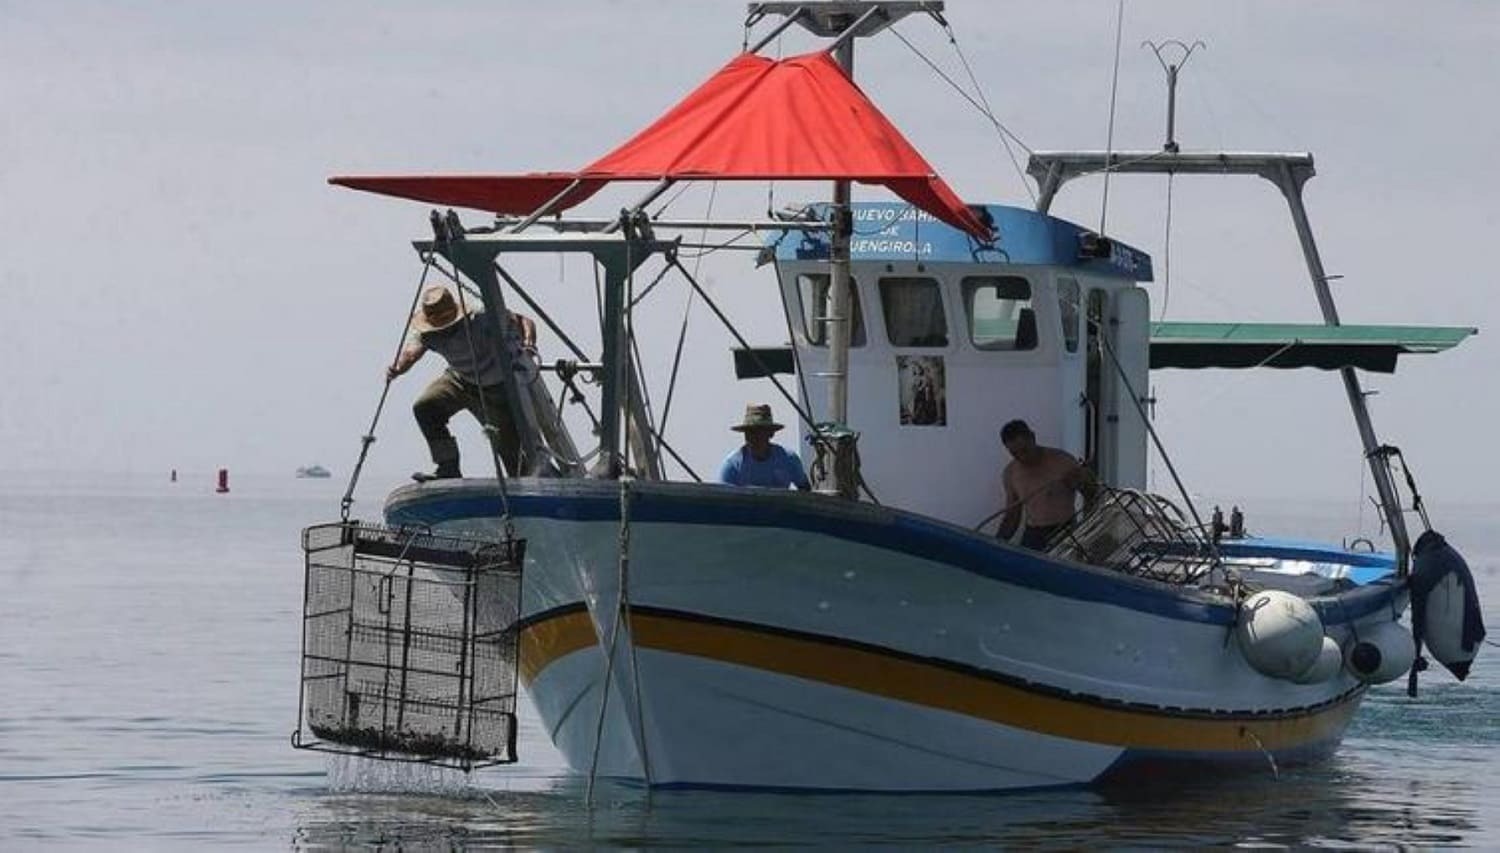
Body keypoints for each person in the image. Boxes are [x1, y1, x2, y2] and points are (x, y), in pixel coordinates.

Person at [387, 285, 537, 481]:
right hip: (460, 380)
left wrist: (529, 344)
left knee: (512, 454)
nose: (443, 329)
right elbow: (411, 352)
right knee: (425, 407)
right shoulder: (428, 332)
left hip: (496, 389)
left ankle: (523, 483)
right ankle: (448, 466)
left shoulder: (481, 317)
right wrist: (398, 368)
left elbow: (524, 321)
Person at [995, 419, 1097, 550]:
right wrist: (996, 544)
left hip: (1064, 529)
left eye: (1024, 450)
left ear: (1032, 438)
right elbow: (1012, 516)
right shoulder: (1010, 473)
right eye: (1015, 454)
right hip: (1033, 533)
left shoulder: (1062, 462)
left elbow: (1092, 494)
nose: (1022, 457)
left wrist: (1088, 527)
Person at [718, 404, 811, 491]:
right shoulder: (732, 466)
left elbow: (806, 491)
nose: (754, 437)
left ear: (771, 433)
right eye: (750, 432)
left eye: (760, 431)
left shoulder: (789, 459)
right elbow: (722, 499)